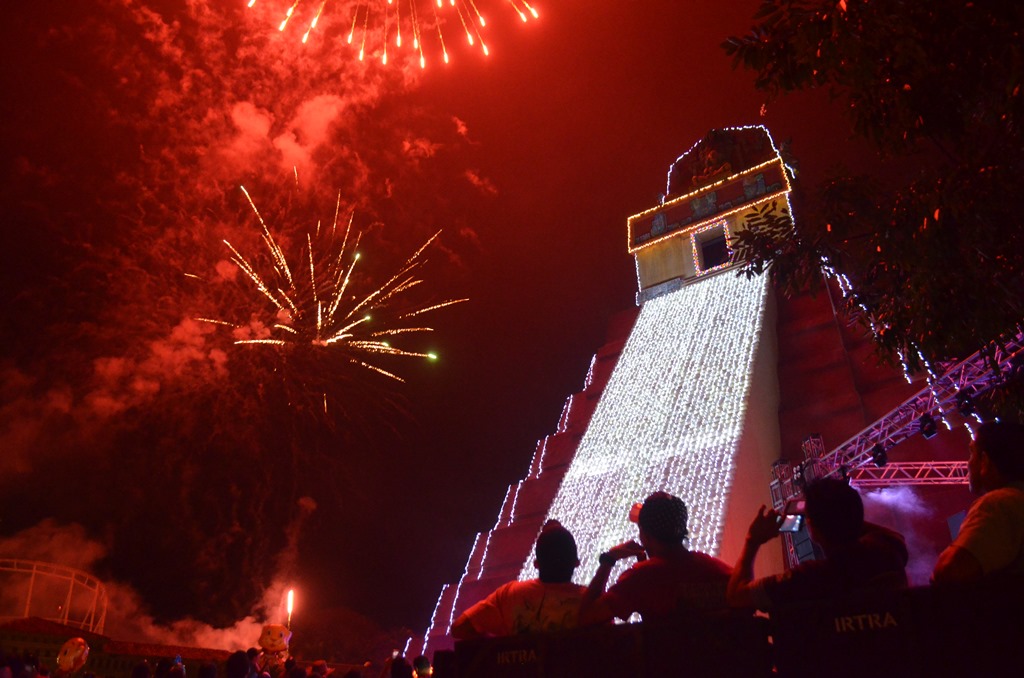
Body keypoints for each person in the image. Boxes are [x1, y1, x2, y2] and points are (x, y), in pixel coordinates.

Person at [727, 477, 908, 609]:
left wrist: (753, 540)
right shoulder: (890, 552)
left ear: (813, 528)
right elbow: (889, 536)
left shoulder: (809, 578)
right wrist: (842, 513)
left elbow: (737, 597)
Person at [578, 491, 733, 625]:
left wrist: (608, 560)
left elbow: (585, 617)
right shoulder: (719, 571)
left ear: (645, 535)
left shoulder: (641, 579)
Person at [451, 520, 586, 638]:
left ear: (536, 564)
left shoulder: (509, 595)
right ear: (576, 562)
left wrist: (500, 649)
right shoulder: (590, 599)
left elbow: (459, 628)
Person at [933, 420, 1024, 583]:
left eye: (971, 453)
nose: (968, 462)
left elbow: (949, 570)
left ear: (985, 460)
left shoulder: (999, 504)